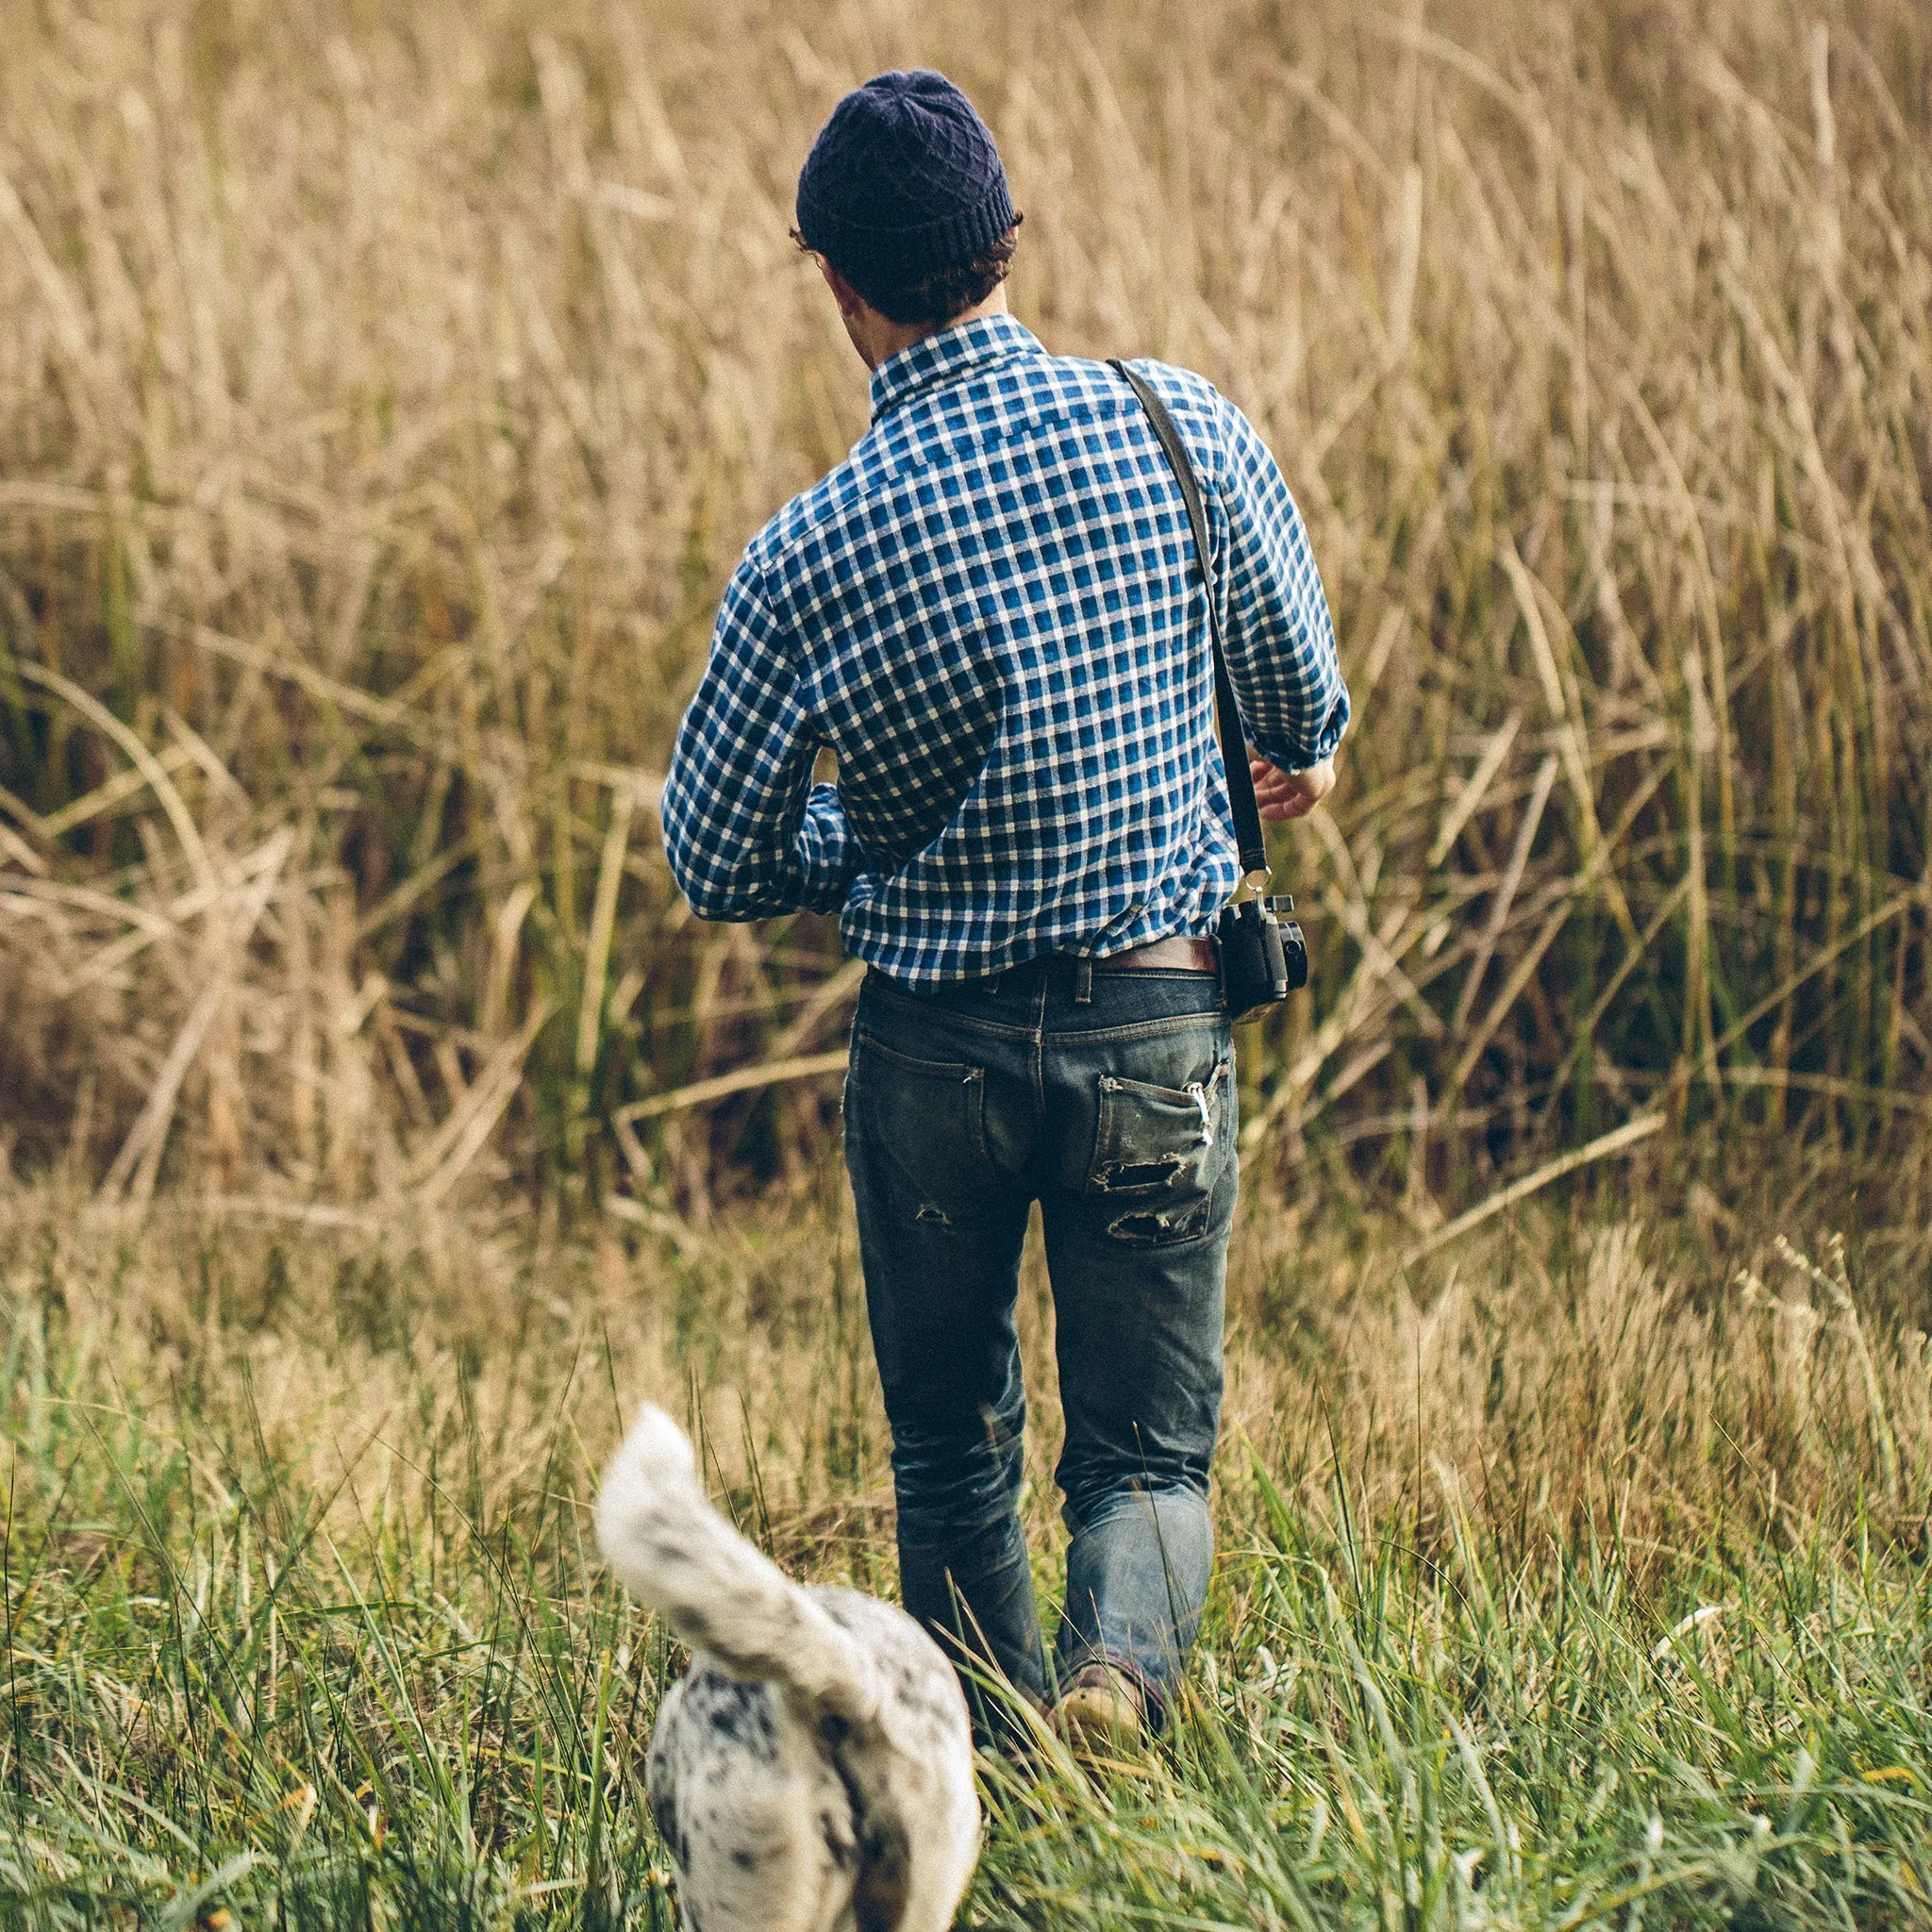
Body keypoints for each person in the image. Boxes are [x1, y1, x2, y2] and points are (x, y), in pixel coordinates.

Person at [659, 69, 1348, 1747]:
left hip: (932, 1057)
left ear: (836, 280)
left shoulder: (806, 550)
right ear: (1010, 242)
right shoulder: (1183, 430)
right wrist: (1289, 763)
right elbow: (1302, 704)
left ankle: (989, 1762)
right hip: (1155, 1022)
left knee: (949, 1446)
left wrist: (863, 839)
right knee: (1148, 1453)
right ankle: (1119, 1673)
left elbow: (715, 856)